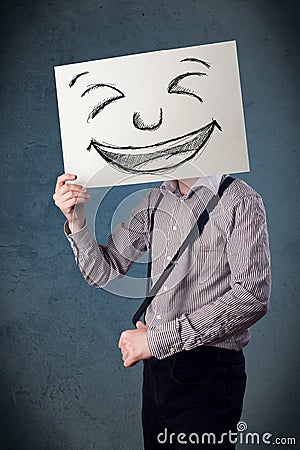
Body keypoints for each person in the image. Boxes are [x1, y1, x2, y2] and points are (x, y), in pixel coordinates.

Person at [53, 172, 271, 449]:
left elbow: (252, 297)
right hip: (157, 371)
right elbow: (101, 271)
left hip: (209, 372)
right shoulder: (154, 200)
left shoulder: (239, 199)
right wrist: (76, 220)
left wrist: (155, 340)